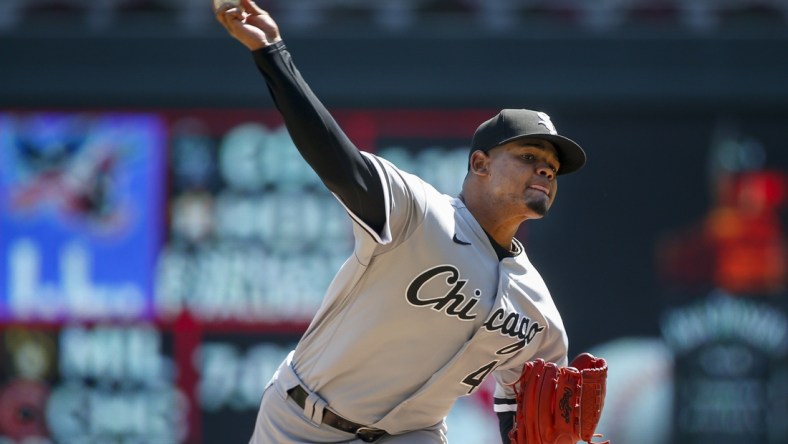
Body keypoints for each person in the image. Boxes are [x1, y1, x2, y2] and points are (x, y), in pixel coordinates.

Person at [215, 1, 588, 442]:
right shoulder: (417, 212)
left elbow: (520, 411)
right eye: (529, 157)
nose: (545, 170)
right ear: (480, 164)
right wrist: (273, 54)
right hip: (303, 423)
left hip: (412, 435)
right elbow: (336, 158)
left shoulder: (539, 314)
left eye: (552, 167)